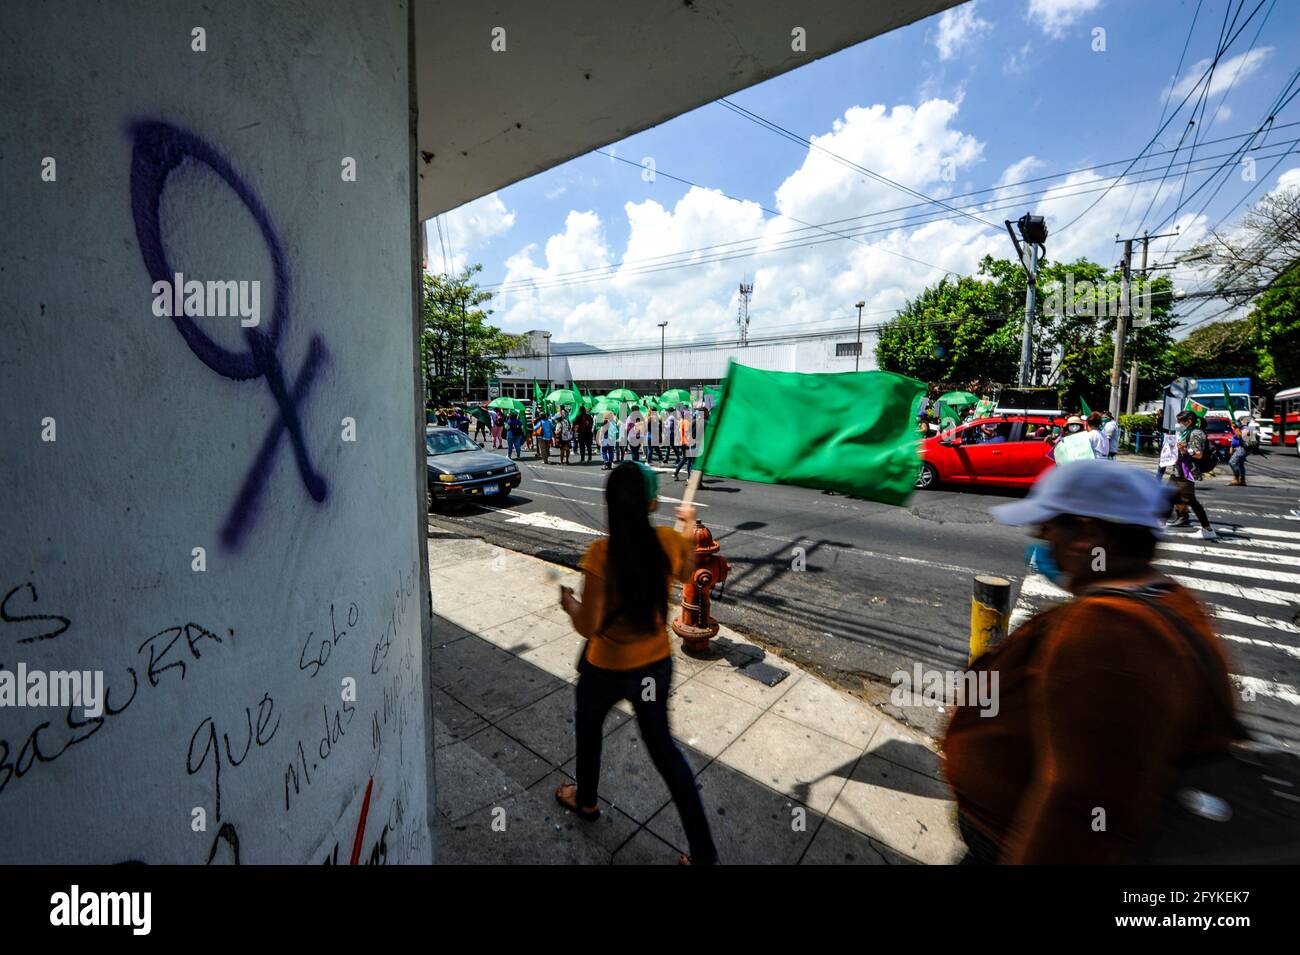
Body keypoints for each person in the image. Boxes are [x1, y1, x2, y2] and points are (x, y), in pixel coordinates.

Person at [944, 461, 1237, 863]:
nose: (1040, 539)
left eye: (1048, 527)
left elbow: (1080, 806)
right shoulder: (1170, 600)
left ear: (1087, 533)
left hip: (1004, 840)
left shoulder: (1108, 628)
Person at [556, 463, 717, 864]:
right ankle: (704, 855)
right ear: (652, 501)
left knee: (589, 730)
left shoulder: (600, 556)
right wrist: (688, 521)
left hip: (604, 668)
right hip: (653, 667)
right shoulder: (665, 542)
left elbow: (588, 625)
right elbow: (685, 562)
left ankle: (587, 799)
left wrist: (569, 603)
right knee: (665, 753)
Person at [1166, 410, 1216, 540]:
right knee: (1168, 495)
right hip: (1178, 470)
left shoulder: (1196, 433)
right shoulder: (1184, 432)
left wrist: (1184, 449)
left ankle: (1208, 529)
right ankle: (1159, 523)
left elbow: (1198, 454)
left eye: (1179, 421)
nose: (1177, 424)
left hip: (1187, 471)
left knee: (1191, 501)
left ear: (1188, 421)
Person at [1227, 418, 1248, 486]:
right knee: (1240, 464)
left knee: (1232, 462)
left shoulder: (1246, 428)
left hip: (1242, 449)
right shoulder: (1241, 428)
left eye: (1241, 420)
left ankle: (1236, 478)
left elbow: (1240, 436)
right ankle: (1242, 480)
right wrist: (1232, 447)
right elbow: (1235, 438)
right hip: (1239, 448)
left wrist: (1236, 428)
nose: (1240, 421)